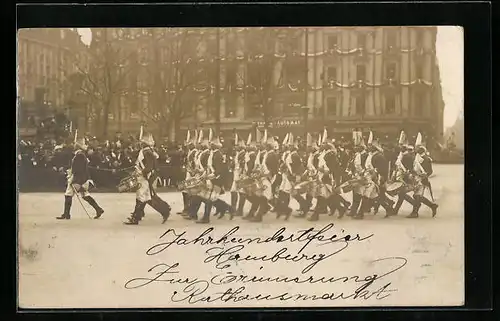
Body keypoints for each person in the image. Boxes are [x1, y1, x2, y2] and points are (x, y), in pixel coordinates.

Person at [124, 132, 171, 225]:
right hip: (143, 176)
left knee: (142, 197)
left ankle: (136, 218)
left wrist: (143, 173)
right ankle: (164, 210)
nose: (140, 143)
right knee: (146, 197)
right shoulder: (146, 151)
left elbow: (149, 166)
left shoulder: (147, 152)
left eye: (142, 142)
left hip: (144, 177)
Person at [57, 135, 104, 220]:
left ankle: (66, 214)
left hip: (79, 179)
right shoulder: (79, 155)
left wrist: (72, 177)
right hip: (81, 179)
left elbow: (78, 169)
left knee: (68, 194)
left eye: (75, 144)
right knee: (85, 195)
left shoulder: (79, 155)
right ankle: (98, 209)